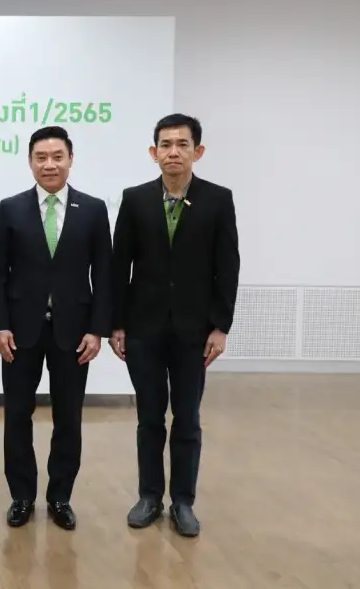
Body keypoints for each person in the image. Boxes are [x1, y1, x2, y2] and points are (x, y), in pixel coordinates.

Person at [110, 113, 239, 538]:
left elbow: (227, 268)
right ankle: (149, 496)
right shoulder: (134, 199)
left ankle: (183, 501)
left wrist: (220, 326)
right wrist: (117, 324)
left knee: (187, 419)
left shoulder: (218, 200)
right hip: (143, 328)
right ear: (154, 153)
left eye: (182, 144)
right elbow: (119, 266)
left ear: (197, 151)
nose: (173, 152)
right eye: (165, 145)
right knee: (149, 418)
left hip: (194, 332)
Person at [0, 126, 112, 531]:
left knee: (68, 417)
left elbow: (104, 275)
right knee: (17, 415)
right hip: (20, 332)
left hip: (74, 334)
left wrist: (97, 330)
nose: (49, 164)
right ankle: (21, 496)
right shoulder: (11, 208)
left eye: (57, 156)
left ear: (70, 159)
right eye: (41, 157)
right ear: (30, 162)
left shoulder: (93, 209)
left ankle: (60, 497)